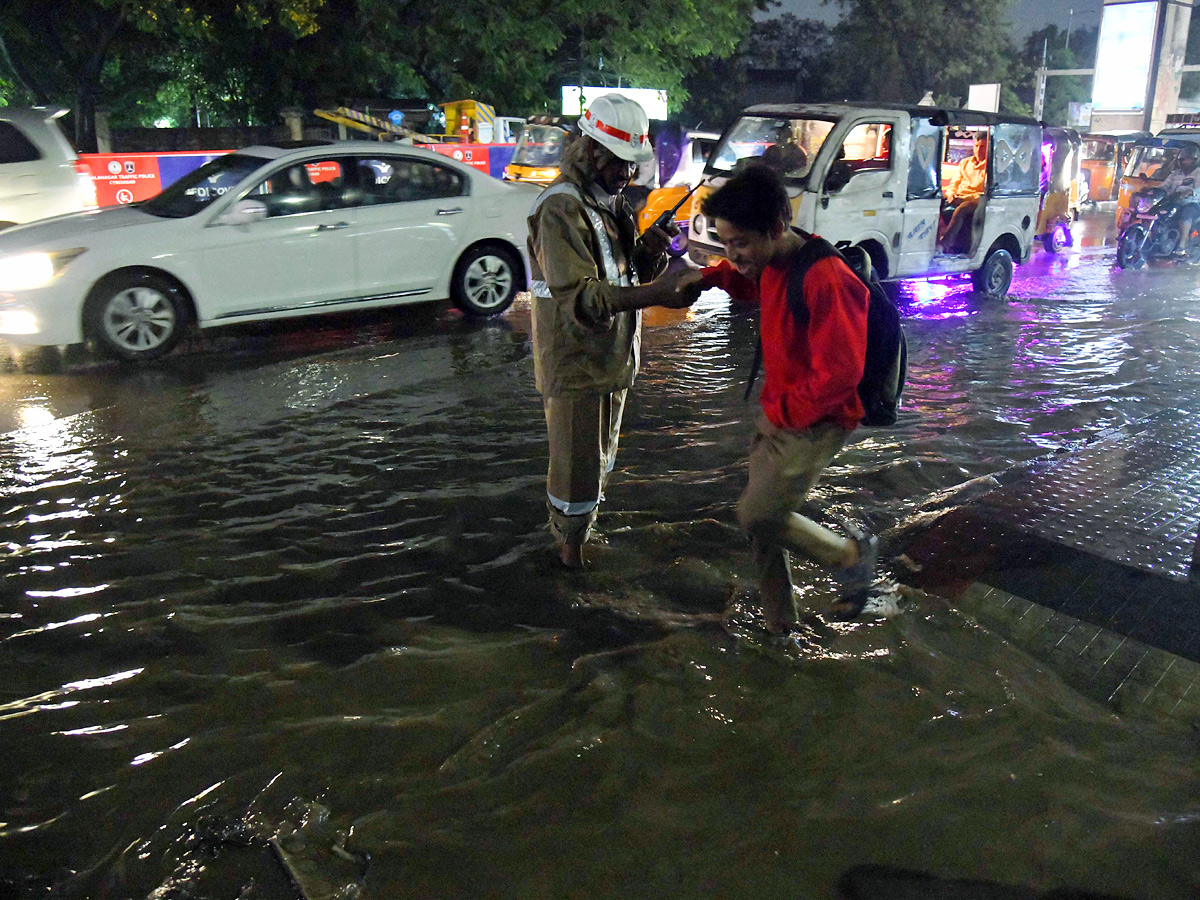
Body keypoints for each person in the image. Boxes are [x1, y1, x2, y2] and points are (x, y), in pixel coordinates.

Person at [677, 164, 879, 630]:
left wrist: (784, 413)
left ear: (776, 227)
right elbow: (749, 280)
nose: (733, 254)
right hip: (781, 408)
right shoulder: (772, 261)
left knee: (757, 514)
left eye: (741, 243)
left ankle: (850, 557)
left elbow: (842, 376)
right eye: (725, 243)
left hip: (816, 418)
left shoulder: (828, 278)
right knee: (761, 528)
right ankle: (780, 627)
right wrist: (710, 278)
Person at [528, 94, 699, 569]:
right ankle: (569, 562)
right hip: (576, 363)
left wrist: (650, 249)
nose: (627, 175)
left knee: (597, 467)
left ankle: (578, 547)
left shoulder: (610, 201)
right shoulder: (560, 209)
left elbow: (623, 275)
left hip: (610, 361)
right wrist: (660, 293)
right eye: (620, 164)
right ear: (591, 151)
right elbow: (583, 299)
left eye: (631, 167)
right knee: (575, 475)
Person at [940, 132, 988, 253]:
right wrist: (951, 194)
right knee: (936, 200)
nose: (978, 149)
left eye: (982, 146)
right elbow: (954, 184)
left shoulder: (989, 167)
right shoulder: (965, 163)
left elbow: (984, 193)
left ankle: (945, 243)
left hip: (975, 202)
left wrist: (966, 198)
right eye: (976, 146)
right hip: (959, 196)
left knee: (963, 208)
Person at [1160, 147, 1200, 256]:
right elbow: (1164, 186)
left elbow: (1198, 189)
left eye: (1189, 160)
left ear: (1195, 160)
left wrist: (1189, 192)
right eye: (1184, 160)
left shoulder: (1198, 173)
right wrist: (1155, 191)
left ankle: (1181, 245)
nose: (1186, 162)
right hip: (1174, 201)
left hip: (1193, 203)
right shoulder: (1175, 173)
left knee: (1186, 214)